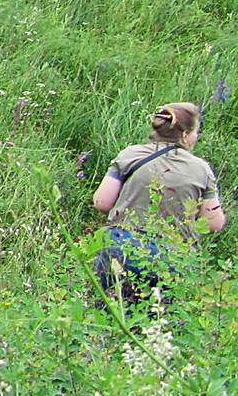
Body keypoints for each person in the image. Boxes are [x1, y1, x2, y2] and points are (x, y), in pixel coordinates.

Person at [92, 101, 225, 302]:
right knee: (160, 323)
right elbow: (214, 223)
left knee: (109, 309)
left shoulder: (130, 154)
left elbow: (101, 202)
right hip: (171, 256)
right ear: (185, 135)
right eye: (196, 132)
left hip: (121, 246)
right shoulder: (201, 169)